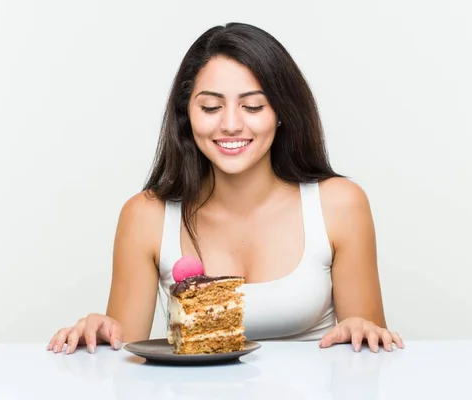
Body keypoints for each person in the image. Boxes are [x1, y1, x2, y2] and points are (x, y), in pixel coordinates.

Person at [47, 22, 404, 355]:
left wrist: (363, 328)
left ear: (281, 112)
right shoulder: (146, 215)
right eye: (211, 106)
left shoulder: (339, 205)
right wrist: (99, 333)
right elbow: (127, 360)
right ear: (187, 113)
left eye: (252, 106)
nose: (231, 124)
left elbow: (370, 350)